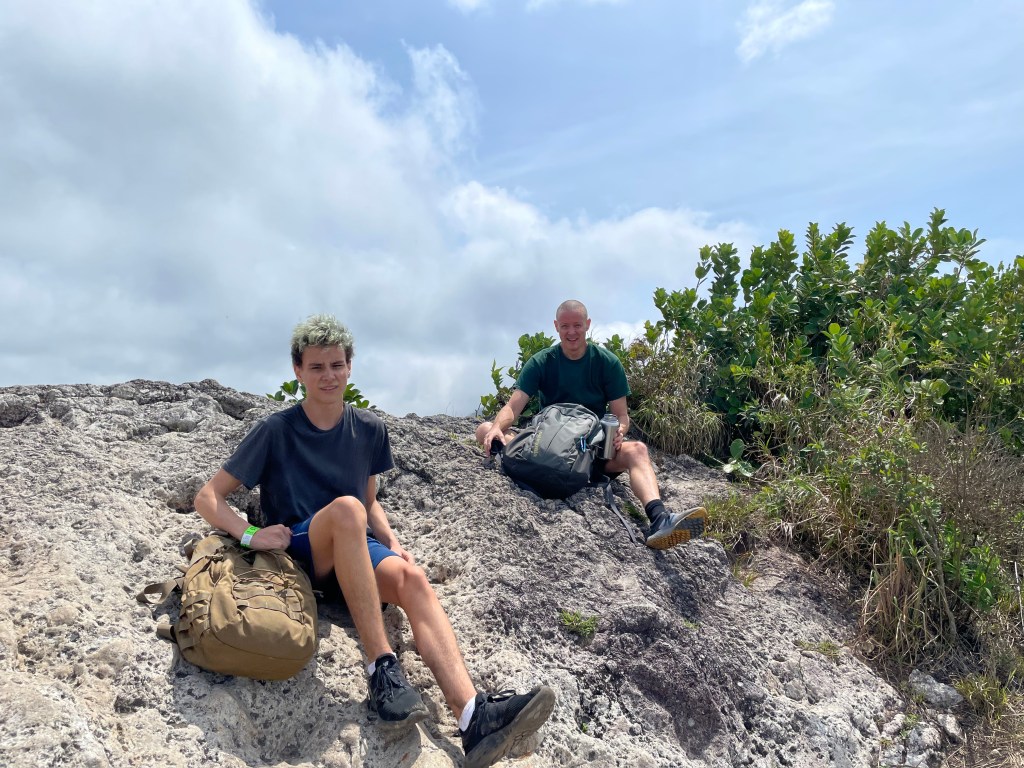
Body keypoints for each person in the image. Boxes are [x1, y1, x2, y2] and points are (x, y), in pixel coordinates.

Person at [195, 313, 554, 768]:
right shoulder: (276, 430)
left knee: (412, 577)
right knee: (345, 510)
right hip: (303, 555)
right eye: (317, 367)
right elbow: (208, 497)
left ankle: (472, 716)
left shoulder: (368, 428)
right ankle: (381, 669)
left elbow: (370, 500)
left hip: (356, 552)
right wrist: (251, 533)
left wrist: (391, 540)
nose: (328, 375)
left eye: (337, 365)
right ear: (298, 371)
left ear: (350, 367)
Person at [476, 299, 708, 550]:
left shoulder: (607, 363)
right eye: (565, 326)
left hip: (591, 451)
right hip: (547, 445)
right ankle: (520, 461)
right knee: (485, 430)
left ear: (587, 325)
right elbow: (513, 406)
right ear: (556, 326)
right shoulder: (542, 361)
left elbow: (621, 416)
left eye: (577, 325)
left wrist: (619, 432)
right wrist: (499, 426)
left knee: (638, 450)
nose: (571, 332)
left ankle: (659, 518)